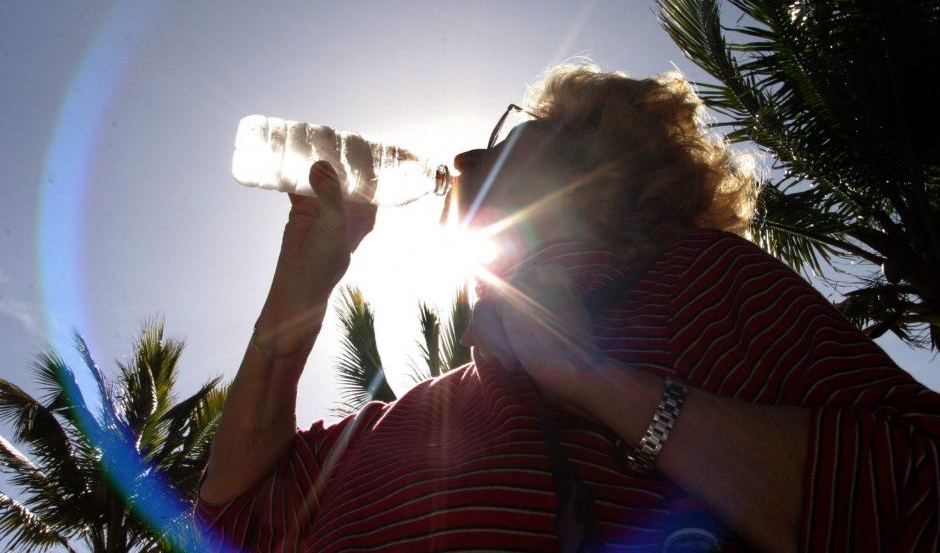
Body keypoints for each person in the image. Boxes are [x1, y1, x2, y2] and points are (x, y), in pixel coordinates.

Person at [195, 64, 940, 552]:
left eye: (515, 139)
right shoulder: (409, 416)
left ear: (602, 176)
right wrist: (301, 288)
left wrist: (595, 380)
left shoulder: (694, 280)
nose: (461, 162)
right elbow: (235, 513)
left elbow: (917, 488)